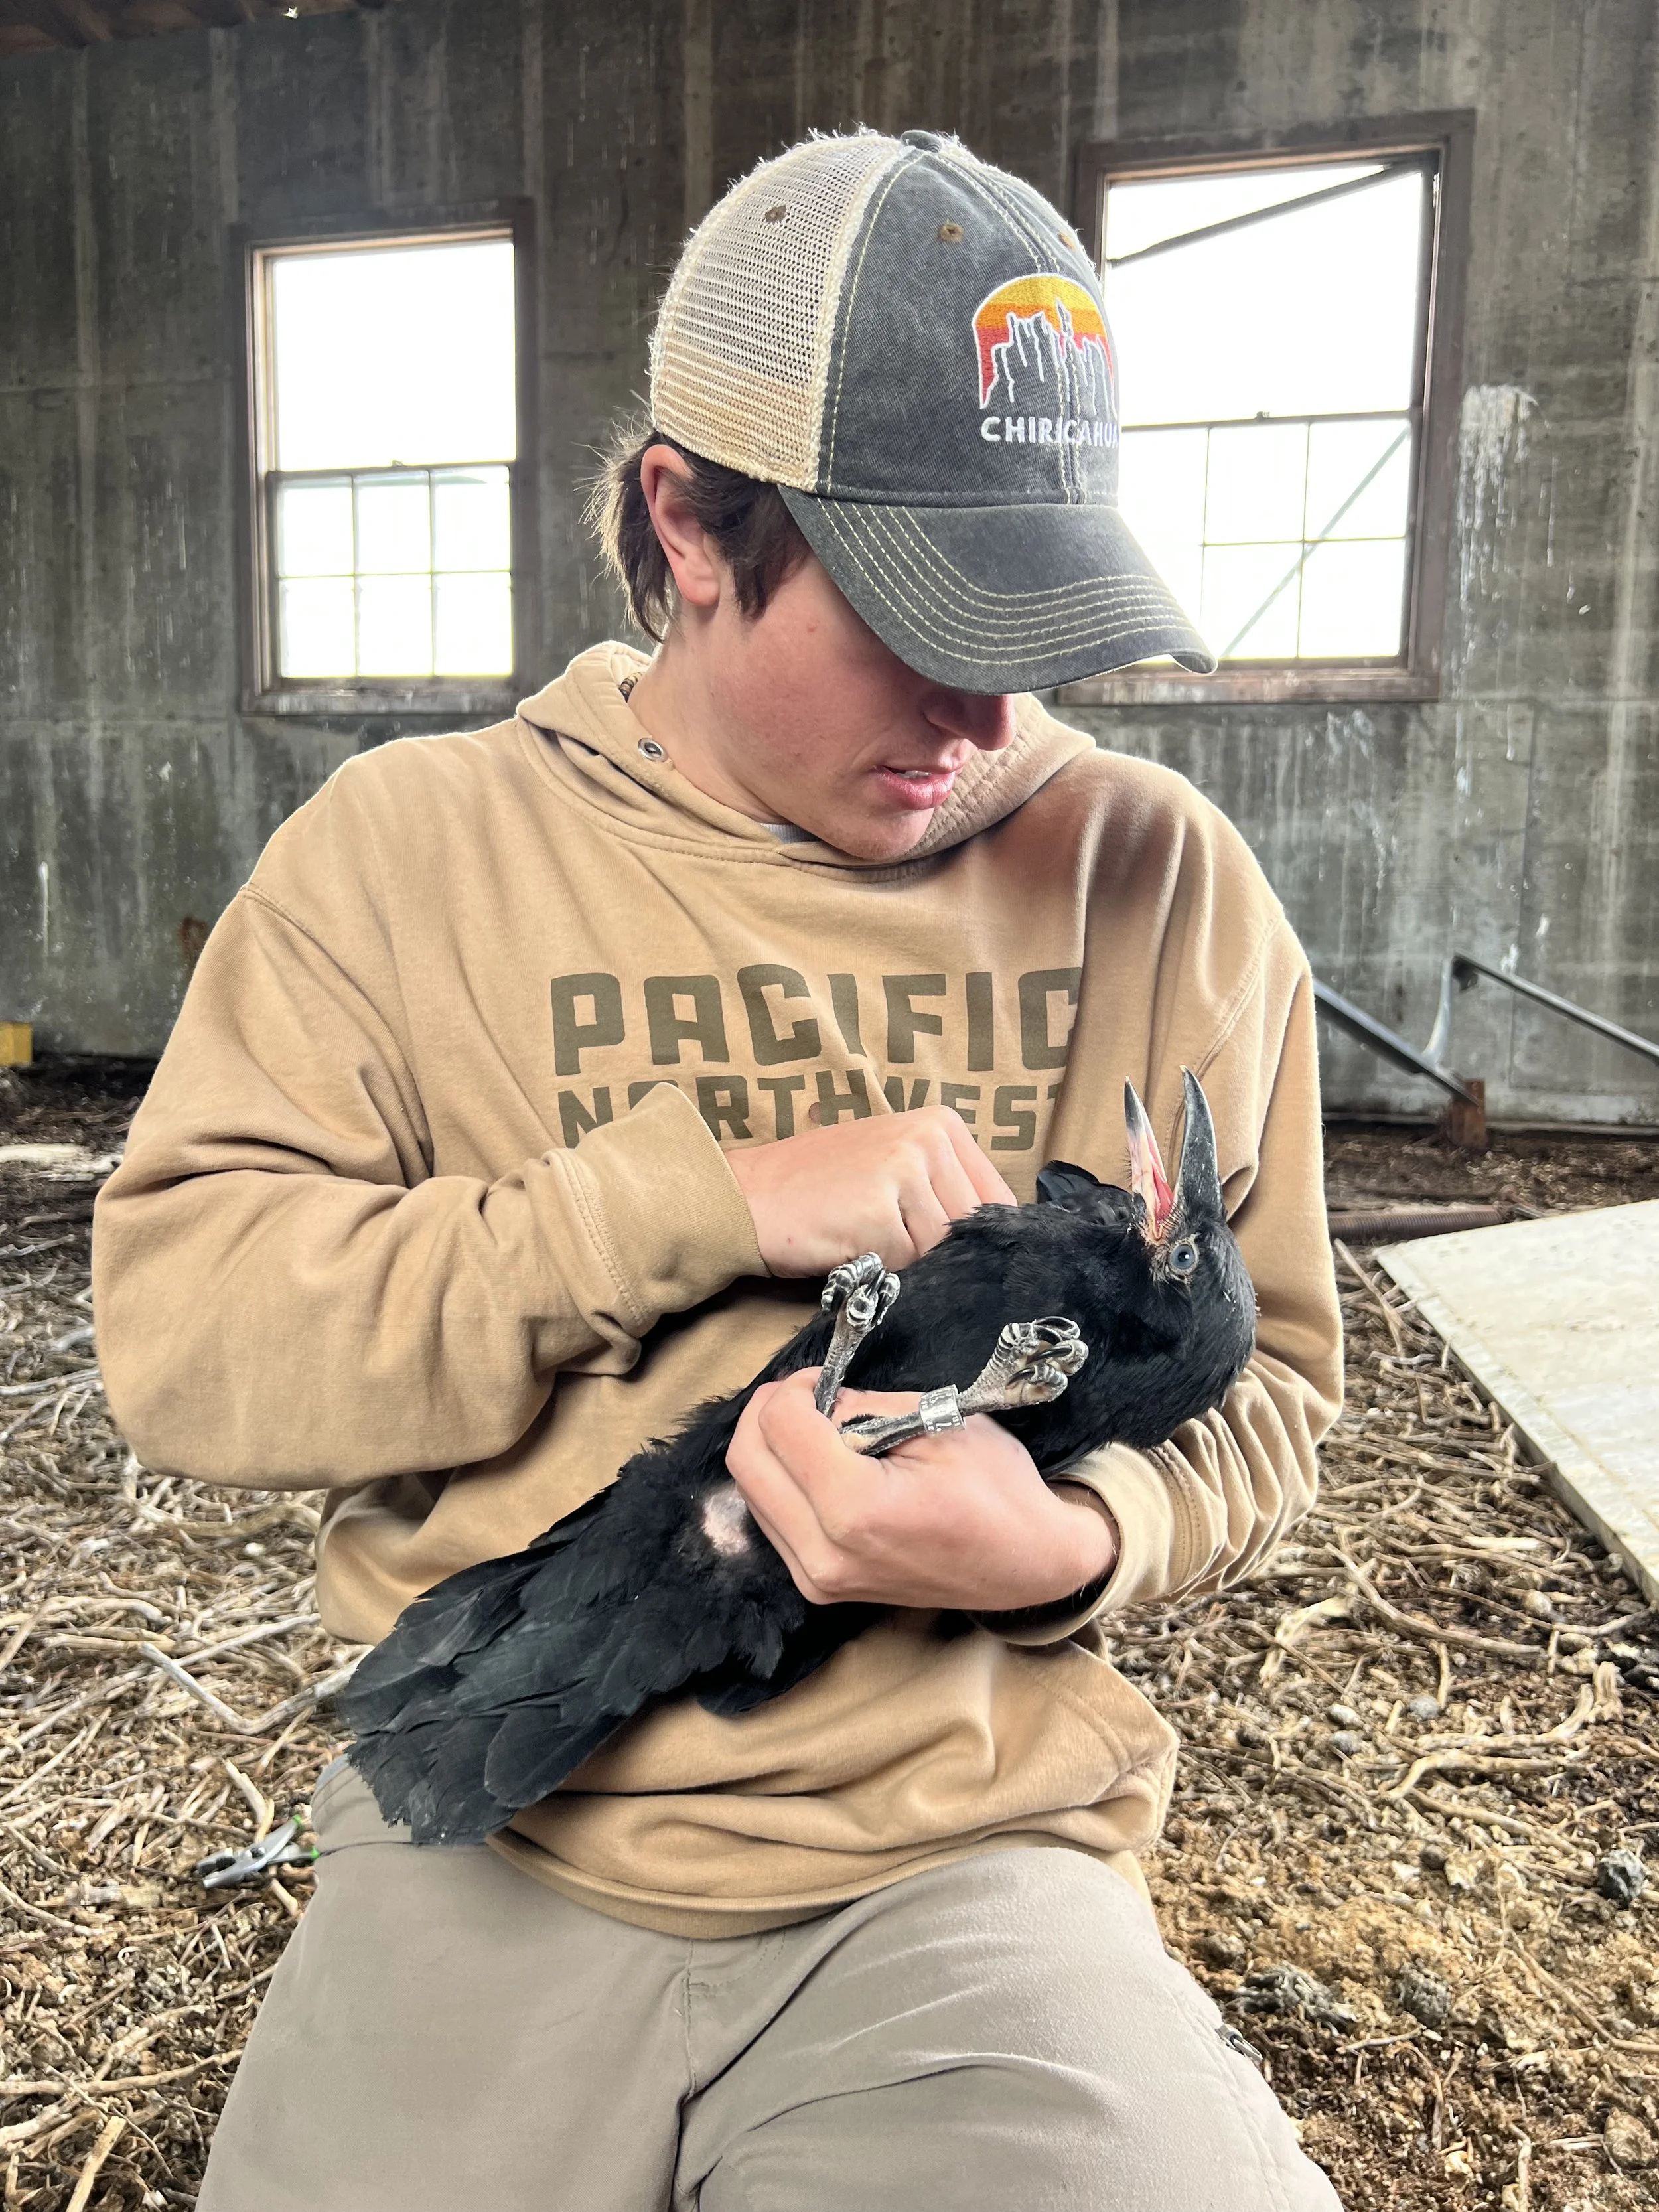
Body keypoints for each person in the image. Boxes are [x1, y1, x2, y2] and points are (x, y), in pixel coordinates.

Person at [94, 129, 1344, 2211]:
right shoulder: (409, 855)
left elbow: (1274, 1382)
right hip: (492, 1817)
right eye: (916, 609)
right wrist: (695, 1202)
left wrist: (1076, 1543)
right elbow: (185, 1342)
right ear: (688, 520)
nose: (980, 701)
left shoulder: (1154, 876)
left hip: (959, 1860)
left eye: (1026, 614)